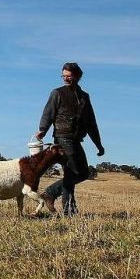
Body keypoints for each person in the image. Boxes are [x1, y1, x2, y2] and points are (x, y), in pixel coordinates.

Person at [35, 62, 104, 215]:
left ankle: (59, 200)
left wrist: (98, 145)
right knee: (73, 171)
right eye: (63, 76)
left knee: (83, 173)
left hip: (76, 139)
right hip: (62, 138)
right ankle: (63, 203)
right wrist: (42, 130)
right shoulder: (57, 93)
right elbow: (48, 113)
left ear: (78, 76)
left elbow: (91, 123)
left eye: (69, 76)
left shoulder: (85, 97)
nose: (66, 79)